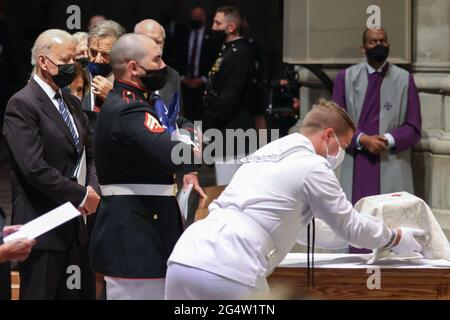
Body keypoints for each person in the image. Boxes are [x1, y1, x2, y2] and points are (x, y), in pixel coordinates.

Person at [165, 99, 425, 300]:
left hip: (185, 256)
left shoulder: (267, 151)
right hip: (231, 264)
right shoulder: (313, 165)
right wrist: (394, 237)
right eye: (342, 146)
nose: (341, 154)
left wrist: (366, 233)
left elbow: (309, 231)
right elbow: (350, 227)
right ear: (328, 135)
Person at [89, 33, 200, 300]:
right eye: (157, 59)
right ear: (133, 67)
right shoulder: (129, 109)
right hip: (136, 233)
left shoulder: (136, 103)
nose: (163, 67)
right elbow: (177, 156)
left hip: (145, 228)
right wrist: (189, 142)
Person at [3, 29, 100, 299]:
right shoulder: (22, 103)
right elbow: (34, 168)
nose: (72, 67)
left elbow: (89, 155)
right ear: (44, 62)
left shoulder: (71, 102)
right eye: (66, 60)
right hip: (42, 227)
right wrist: (81, 194)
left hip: (76, 226)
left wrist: (92, 191)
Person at [332, 28, 422, 206]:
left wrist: (387, 140)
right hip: (356, 159)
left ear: (388, 45)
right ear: (363, 47)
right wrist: (362, 139)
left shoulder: (404, 79)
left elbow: (414, 125)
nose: (378, 45)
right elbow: (336, 121)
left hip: (390, 159)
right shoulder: (346, 78)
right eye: (373, 42)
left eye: (382, 41)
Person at [134, 19, 206, 199]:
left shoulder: (172, 75)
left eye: (158, 41)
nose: (154, 46)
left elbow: (178, 119)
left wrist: (191, 169)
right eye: (147, 40)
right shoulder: (127, 75)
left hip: (165, 173)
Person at [203, 6, 256, 133]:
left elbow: (229, 98)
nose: (213, 27)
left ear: (231, 27)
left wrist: (207, 125)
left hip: (233, 128)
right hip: (221, 124)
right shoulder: (226, 50)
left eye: (218, 23)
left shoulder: (238, 54)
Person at [172, 7, 220, 121]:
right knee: (185, 114)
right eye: (193, 19)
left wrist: (204, 78)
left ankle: (199, 136)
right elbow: (176, 56)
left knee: (201, 116)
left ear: (204, 19)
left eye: (198, 19)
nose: (196, 21)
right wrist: (182, 77)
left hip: (204, 83)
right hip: (184, 82)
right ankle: (187, 137)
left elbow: (217, 61)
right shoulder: (182, 34)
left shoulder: (213, 37)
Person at [83, 20, 125, 127]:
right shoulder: (75, 80)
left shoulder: (134, 82)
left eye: (105, 54)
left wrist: (113, 98)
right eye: (93, 52)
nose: (97, 59)